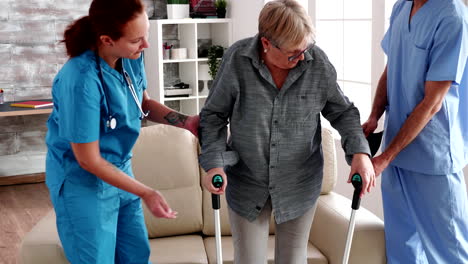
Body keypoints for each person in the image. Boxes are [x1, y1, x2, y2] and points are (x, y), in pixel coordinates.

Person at [198, 0, 375, 263]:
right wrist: (214, 163)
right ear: (266, 44)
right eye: (293, 53)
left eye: (305, 48)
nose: (302, 57)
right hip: (247, 181)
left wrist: (360, 152)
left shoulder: (316, 63)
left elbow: (343, 112)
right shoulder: (237, 60)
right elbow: (213, 116)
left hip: (299, 183)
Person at [45, 0, 199, 263]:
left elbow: (144, 105)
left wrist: (188, 123)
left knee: (136, 255)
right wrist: (146, 192)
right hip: (83, 184)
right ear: (107, 39)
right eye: (137, 39)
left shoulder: (130, 58)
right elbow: (88, 159)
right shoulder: (80, 80)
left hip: (121, 172)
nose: (146, 45)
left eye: (146, 35)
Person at [362, 0, 468, 263]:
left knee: (451, 254)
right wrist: (375, 114)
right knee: (403, 249)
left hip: (433, 159)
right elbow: (391, 67)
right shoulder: (401, 7)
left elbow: (432, 104)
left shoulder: (452, 17)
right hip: (396, 155)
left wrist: (385, 158)